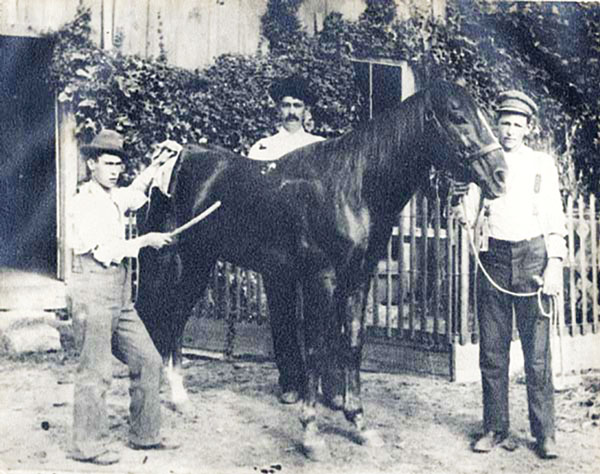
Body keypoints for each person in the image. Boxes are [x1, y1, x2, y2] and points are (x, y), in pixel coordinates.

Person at [454, 91, 566, 459]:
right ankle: (494, 428)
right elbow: (470, 212)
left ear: (528, 128)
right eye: (505, 122)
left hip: (533, 257)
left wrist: (554, 264)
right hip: (494, 258)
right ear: (497, 124)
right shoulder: (485, 158)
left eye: (518, 124)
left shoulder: (541, 165)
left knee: (537, 356)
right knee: (492, 350)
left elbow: (553, 217)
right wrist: (461, 210)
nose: (510, 130)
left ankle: (544, 433)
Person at [67, 130, 179, 465]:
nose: (115, 170)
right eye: (108, 163)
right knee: (95, 372)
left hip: (120, 292)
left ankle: (145, 435)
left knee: (149, 361)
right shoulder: (82, 202)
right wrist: (147, 241)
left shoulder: (112, 196)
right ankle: (87, 446)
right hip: (93, 289)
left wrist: (155, 164)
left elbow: (134, 192)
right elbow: (105, 250)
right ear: (92, 165)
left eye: (118, 164)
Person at [248, 74, 325, 404]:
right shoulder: (263, 147)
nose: (291, 111)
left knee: (316, 313)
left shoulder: (320, 146)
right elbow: (251, 194)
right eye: (286, 105)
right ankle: (290, 380)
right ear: (277, 110)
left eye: (297, 105)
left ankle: (317, 380)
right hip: (276, 245)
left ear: (306, 110)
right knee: (281, 312)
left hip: (314, 246)